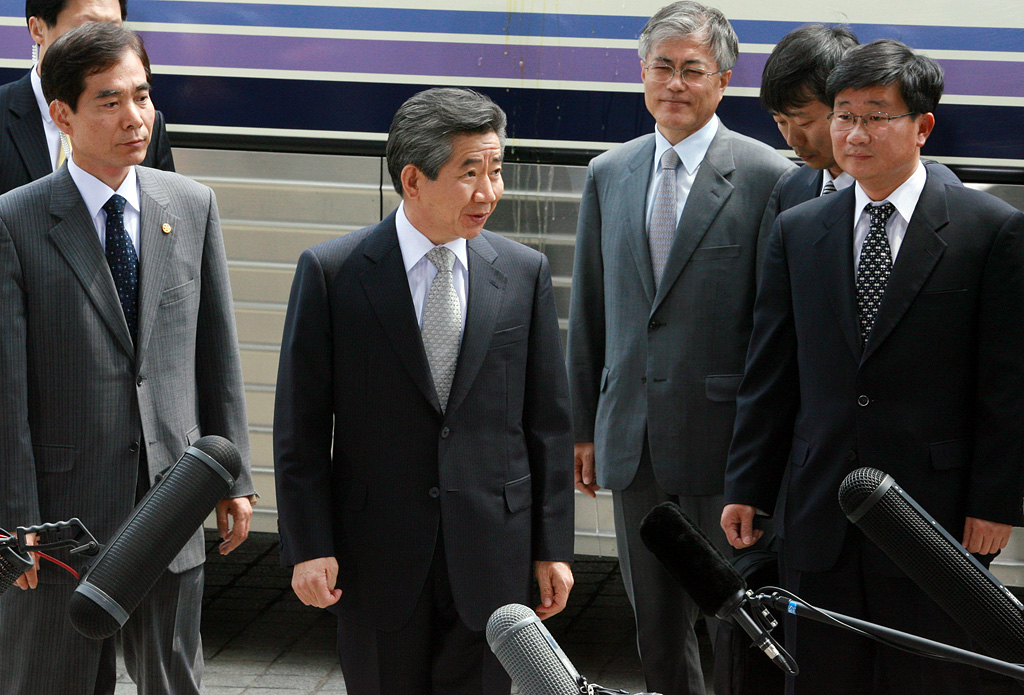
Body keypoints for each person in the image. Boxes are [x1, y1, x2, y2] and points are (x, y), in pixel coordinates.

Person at [722, 39, 1024, 695]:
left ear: (923, 126)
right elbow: (771, 372)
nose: (855, 133)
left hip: (934, 517)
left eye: (876, 116)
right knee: (821, 675)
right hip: (818, 511)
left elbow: (1007, 387)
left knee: (929, 679)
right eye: (844, 115)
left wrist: (995, 502)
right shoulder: (800, 228)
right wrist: (747, 483)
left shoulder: (989, 229)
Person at [273, 87, 575, 695]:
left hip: (493, 557)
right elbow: (300, 429)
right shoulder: (334, 273)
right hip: (375, 558)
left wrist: (553, 548)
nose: (489, 192)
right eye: (469, 173)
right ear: (413, 180)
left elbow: (546, 423)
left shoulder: (522, 272)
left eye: (495, 171)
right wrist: (308, 545)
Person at [0, 22, 254, 695]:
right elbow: (7, 389)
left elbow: (215, 351)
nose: (135, 118)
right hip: (62, 520)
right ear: (63, 115)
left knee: (173, 682)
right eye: (109, 101)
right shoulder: (16, 221)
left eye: (142, 96)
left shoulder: (191, 205)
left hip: (171, 502)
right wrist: (16, 523)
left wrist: (232, 477)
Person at [565, 2, 793, 692]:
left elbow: (776, 329)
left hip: (726, 444)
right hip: (632, 439)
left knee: (736, 625)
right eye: (661, 67)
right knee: (655, 629)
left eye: (692, 69)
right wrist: (584, 427)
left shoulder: (767, 175)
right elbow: (590, 308)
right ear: (642, 73)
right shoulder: (609, 171)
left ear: (723, 80)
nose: (674, 83)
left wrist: (767, 450)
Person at [760, 23, 959, 211]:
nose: (792, 140)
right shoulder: (792, 188)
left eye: (805, 122)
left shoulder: (941, 193)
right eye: (781, 122)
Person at [0, 0, 174, 196]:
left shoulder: (143, 124)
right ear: (38, 29)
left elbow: (164, 205)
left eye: (112, 29)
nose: (100, 44)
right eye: (86, 28)